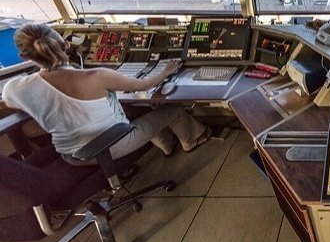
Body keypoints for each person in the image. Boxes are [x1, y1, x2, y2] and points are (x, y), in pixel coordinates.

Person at [1, 23, 212, 165]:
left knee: (130, 110)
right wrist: (167, 70)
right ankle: (191, 140)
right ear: (66, 44)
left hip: (71, 156)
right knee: (173, 110)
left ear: (23, 56)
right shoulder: (99, 75)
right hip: (112, 144)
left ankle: (167, 145)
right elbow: (145, 85)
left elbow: (9, 102)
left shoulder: (17, 88)